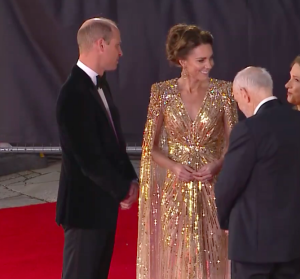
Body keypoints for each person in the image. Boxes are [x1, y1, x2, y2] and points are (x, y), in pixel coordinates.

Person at [136, 23, 238, 279]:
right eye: (201, 60)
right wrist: (174, 167)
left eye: (211, 58)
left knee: (216, 252)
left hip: (214, 187)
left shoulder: (224, 91)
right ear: (182, 60)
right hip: (176, 189)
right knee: (179, 254)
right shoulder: (162, 93)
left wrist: (217, 165)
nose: (209, 65)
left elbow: (236, 144)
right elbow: (151, 146)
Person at [56, 17, 139, 279]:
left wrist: (129, 178)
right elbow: (89, 159)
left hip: (102, 207)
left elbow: (114, 142)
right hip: (84, 211)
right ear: (100, 44)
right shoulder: (73, 94)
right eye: (117, 45)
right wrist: (122, 188)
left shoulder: (100, 84)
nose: (121, 52)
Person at [215, 67, 300, 279]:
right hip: (294, 246)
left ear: (244, 94)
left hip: (254, 249)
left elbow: (227, 186)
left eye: (237, 99)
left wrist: (225, 222)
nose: (239, 105)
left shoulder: (248, 129)